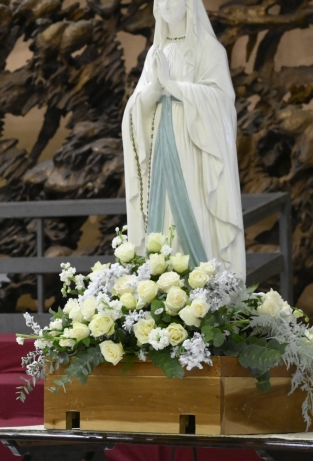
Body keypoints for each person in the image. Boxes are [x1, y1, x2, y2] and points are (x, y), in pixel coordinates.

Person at [121, 0, 246, 279]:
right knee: (162, 208)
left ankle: (204, 283)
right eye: (160, 1)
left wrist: (174, 86)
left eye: (172, 0)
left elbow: (222, 102)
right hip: (161, 139)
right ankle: (162, 281)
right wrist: (155, 88)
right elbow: (135, 108)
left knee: (193, 203)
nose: (165, 6)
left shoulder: (208, 49)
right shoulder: (156, 51)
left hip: (193, 145)